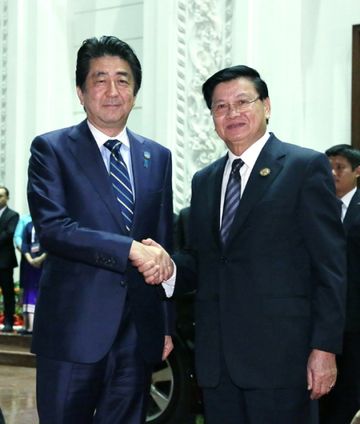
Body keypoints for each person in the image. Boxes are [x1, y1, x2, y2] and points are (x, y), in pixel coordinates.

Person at [148, 65, 347, 424]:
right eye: (220, 107)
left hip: (283, 359)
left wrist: (325, 347)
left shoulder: (303, 167)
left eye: (242, 101)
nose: (232, 113)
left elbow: (330, 266)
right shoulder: (205, 180)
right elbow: (202, 259)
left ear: (266, 105)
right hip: (218, 363)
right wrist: (167, 265)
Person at [27, 36, 174, 424]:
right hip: (72, 332)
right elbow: (55, 228)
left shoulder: (157, 157)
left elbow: (163, 245)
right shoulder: (51, 149)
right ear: (81, 91)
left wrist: (165, 325)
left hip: (137, 335)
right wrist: (128, 248)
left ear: (135, 91)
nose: (113, 91)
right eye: (100, 80)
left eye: (123, 80)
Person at [319, 144, 360, 424]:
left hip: (355, 316)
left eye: (340, 167)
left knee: (350, 386)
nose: (333, 173)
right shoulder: (318, 206)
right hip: (324, 315)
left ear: (357, 171)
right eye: (329, 167)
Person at [18, 220, 46, 335]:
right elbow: (25, 244)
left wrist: (40, 259)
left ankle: (38, 326)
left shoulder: (47, 224)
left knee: (40, 293)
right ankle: (28, 326)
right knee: (29, 292)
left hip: (44, 263)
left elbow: (51, 244)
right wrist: (30, 259)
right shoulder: (29, 225)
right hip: (29, 264)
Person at [0, 186, 19, 333]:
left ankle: (8, 322)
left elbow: (9, 233)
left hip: (4, 261)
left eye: (1, 196)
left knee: (8, 293)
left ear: (7, 198)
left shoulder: (12, 215)